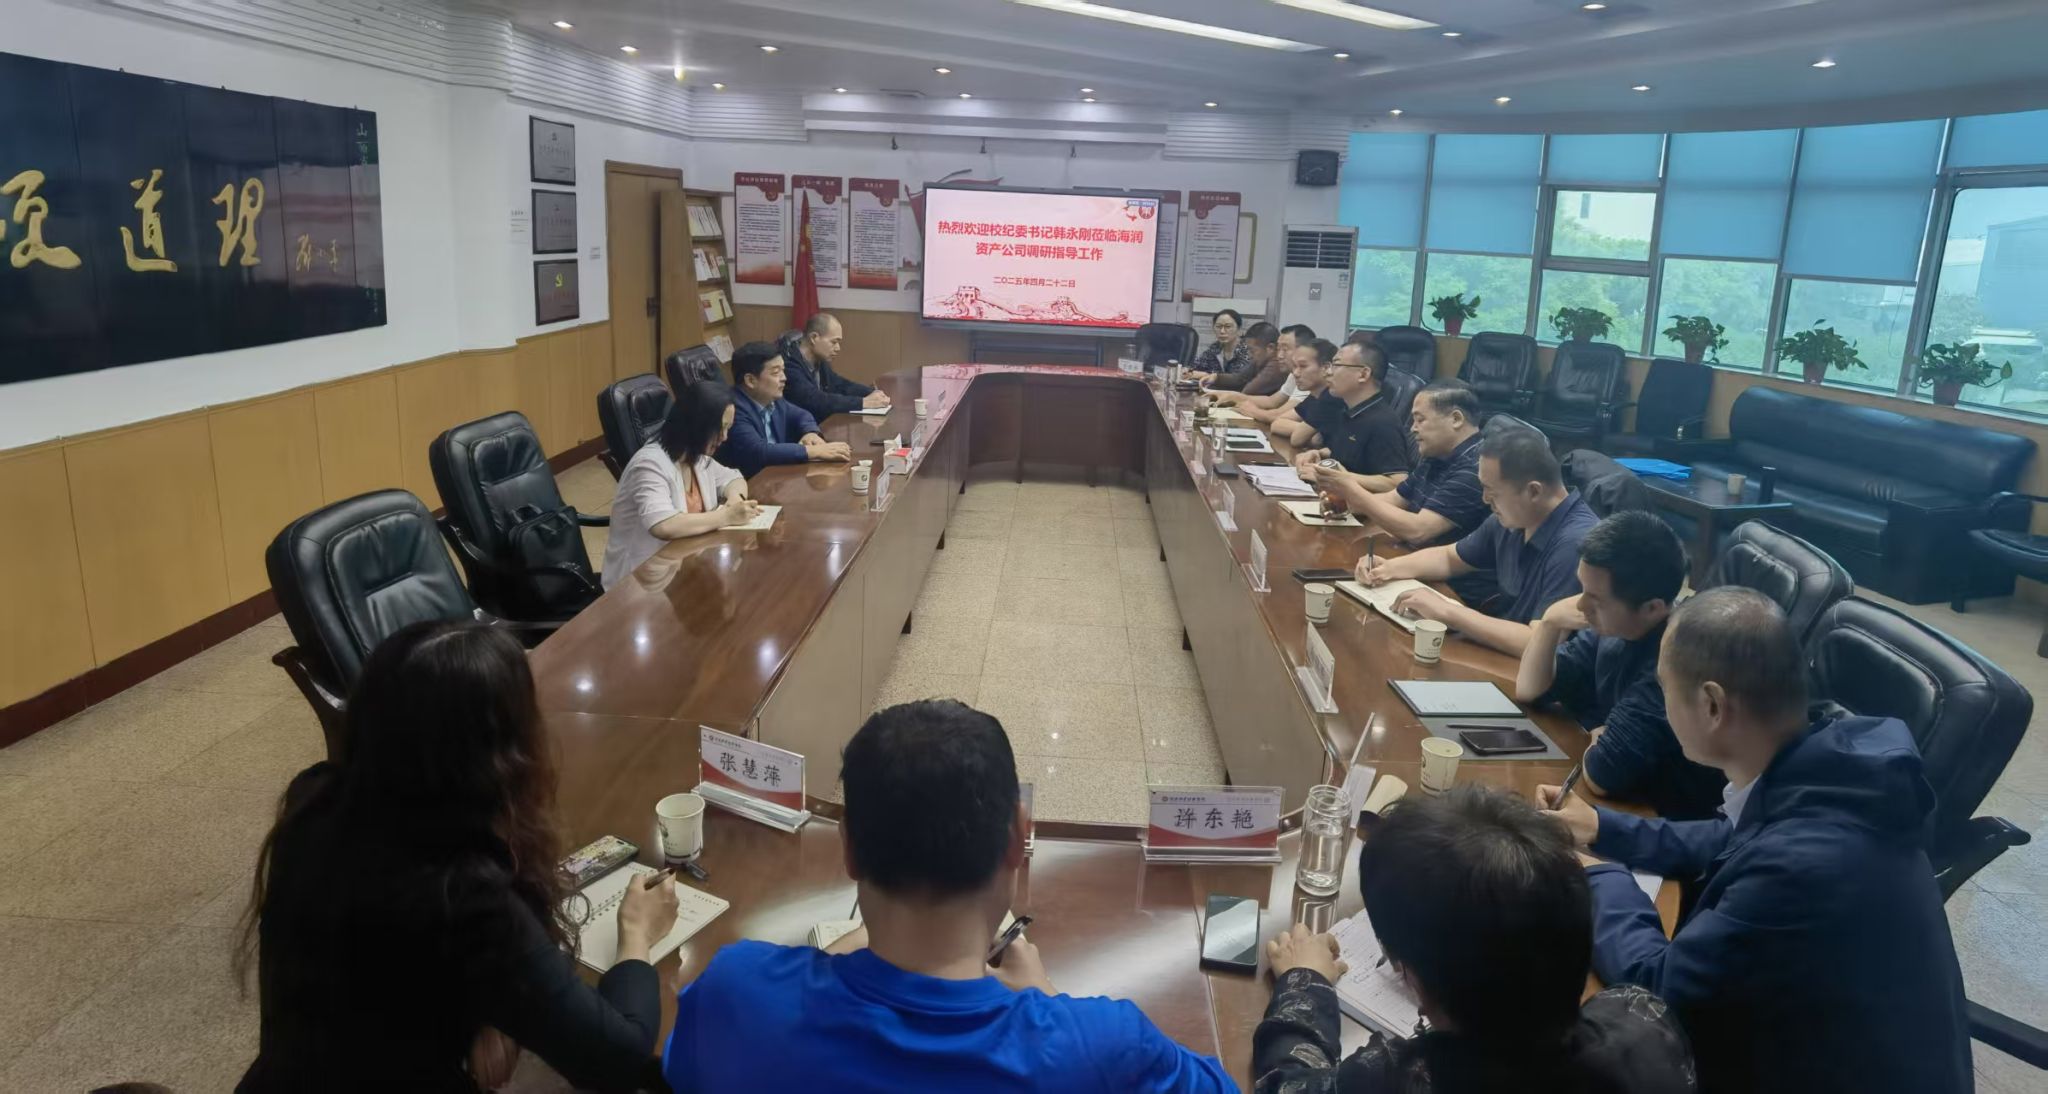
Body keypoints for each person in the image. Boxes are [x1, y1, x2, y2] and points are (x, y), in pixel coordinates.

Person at [662, 700, 1234, 1093]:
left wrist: (828, 961)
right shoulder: (1106, 1050)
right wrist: (1048, 1002)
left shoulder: (736, 992)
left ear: (849, 848)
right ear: (1017, 839)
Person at [1539, 587, 1972, 1094]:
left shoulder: (1801, 867)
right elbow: (1730, 836)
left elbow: (1657, 990)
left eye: (1663, 689)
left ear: (1711, 705)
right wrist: (1601, 826)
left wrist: (1597, 876)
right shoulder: (1836, 767)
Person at [235, 621, 678, 1093]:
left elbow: (387, 964)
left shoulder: (314, 799)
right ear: (501, 755)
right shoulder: (462, 896)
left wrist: (483, 1008)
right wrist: (637, 933)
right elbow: (618, 1060)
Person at [1253, 786, 1695, 1094]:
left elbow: (1286, 1087)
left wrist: (1304, 981)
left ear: (1414, 978)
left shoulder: (1402, 1079)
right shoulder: (1648, 1022)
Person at [1515, 511, 1725, 820]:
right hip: (1628, 803)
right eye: (1582, 589)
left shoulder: (1675, 662)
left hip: (1661, 817)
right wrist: (1548, 624)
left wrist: (1602, 738)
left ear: (1652, 608)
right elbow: (1530, 690)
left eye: (1596, 599)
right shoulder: (1616, 628)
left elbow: (1603, 775)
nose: (1580, 605)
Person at [1354, 420, 1597, 657]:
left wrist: (1449, 613)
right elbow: (1449, 558)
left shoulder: (1576, 543)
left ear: (1533, 491)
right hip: (1502, 654)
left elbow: (1539, 641)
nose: (1484, 499)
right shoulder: (1517, 517)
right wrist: (1388, 568)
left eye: (1491, 490)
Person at [601, 380, 762, 587]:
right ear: (697, 425)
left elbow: (734, 478)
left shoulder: (696, 458)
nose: (724, 437)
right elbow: (664, 525)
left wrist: (735, 500)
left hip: (686, 570)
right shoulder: (649, 464)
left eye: (728, 428)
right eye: (720, 428)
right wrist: (726, 516)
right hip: (639, 583)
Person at [1336, 381, 1488, 549]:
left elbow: (1418, 531)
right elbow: (1394, 499)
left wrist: (1353, 491)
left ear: (1456, 419)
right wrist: (1341, 502)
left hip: (1435, 562)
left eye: (1420, 420)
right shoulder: (1438, 454)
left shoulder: (1476, 468)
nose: (1413, 428)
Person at [717, 340, 853, 478]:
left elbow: (801, 415)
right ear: (750, 381)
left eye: (783, 370)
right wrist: (812, 451)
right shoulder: (732, 409)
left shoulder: (772, 399)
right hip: (748, 484)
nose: (784, 378)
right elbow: (757, 451)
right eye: (776, 373)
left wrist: (810, 433)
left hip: (775, 479)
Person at [1291, 339, 1411, 492]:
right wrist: (1319, 454)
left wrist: (1339, 478)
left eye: (1336, 365)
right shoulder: (1349, 411)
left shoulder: (1382, 423)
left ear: (1363, 374)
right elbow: (1351, 453)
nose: (1328, 372)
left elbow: (1397, 483)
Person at [782, 312, 890, 421]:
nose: (838, 348)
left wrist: (871, 392)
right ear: (814, 338)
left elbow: (840, 385)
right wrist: (863, 403)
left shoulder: (819, 360)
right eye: (833, 342)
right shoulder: (788, 364)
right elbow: (815, 400)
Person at [1216, 325, 1320, 427]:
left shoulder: (1309, 377)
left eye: (1285, 349)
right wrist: (1235, 397)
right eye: (1279, 349)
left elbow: (1277, 417)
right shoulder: (1293, 374)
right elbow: (1271, 401)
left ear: (1304, 350)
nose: (1279, 355)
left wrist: (1252, 410)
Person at [1274, 338, 1341, 446]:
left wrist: (1304, 433)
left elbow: (1296, 439)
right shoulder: (1314, 396)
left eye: (1303, 366)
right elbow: (1277, 423)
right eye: (1295, 366)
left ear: (1326, 368)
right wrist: (1316, 435)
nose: (1295, 373)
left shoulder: (1333, 398)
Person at [1207, 321, 1285, 395]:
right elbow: (1239, 379)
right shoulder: (1261, 359)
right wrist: (1216, 377)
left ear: (1270, 348)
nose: (1249, 355)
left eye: (1252, 350)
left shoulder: (1277, 365)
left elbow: (1248, 391)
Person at [1187, 308, 1252, 382]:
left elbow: (1238, 379)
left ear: (1239, 329)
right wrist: (1188, 372)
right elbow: (1195, 367)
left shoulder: (1248, 349)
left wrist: (1209, 376)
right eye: (1218, 326)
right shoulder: (1215, 348)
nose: (1222, 331)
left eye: (1228, 327)